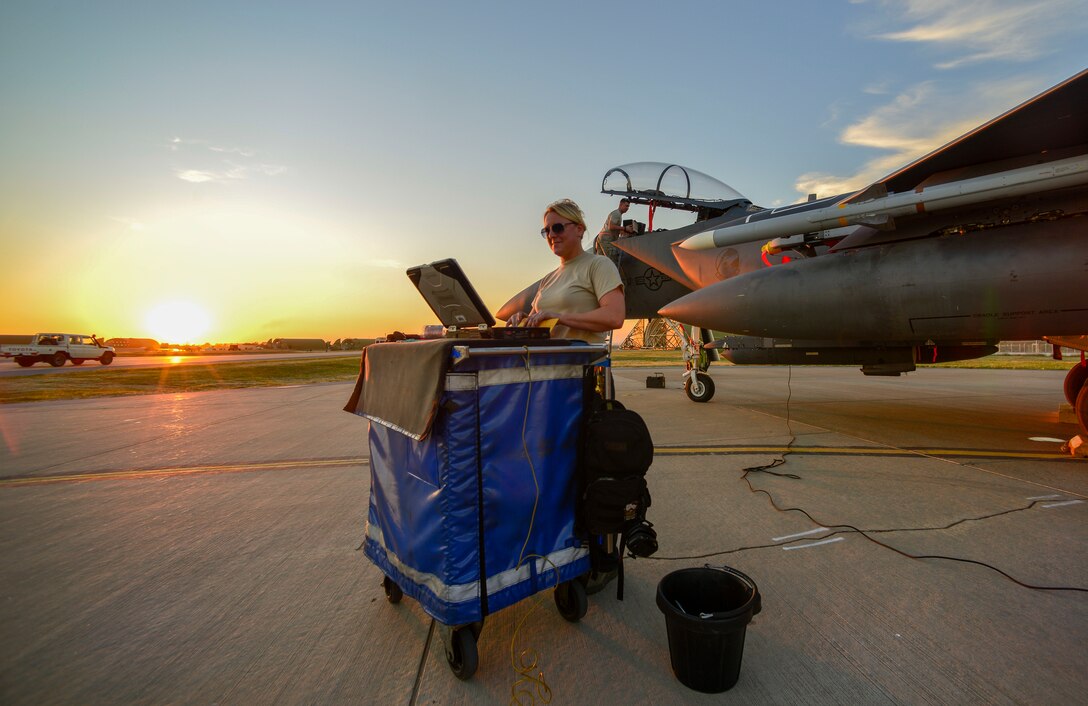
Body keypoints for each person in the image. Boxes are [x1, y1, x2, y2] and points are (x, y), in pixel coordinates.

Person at [508, 198, 625, 345]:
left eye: (557, 228)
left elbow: (614, 316)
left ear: (579, 229)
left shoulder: (599, 265)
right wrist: (523, 320)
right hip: (542, 364)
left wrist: (558, 318)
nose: (551, 235)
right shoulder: (548, 279)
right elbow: (536, 323)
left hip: (577, 364)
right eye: (546, 230)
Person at [594, 198, 633, 266]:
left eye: (628, 206)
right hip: (606, 240)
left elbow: (613, 228)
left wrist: (624, 231)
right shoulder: (616, 214)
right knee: (612, 263)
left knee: (601, 264)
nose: (627, 208)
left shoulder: (618, 214)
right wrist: (624, 228)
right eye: (626, 206)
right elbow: (611, 226)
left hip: (602, 238)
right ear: (621, 204)